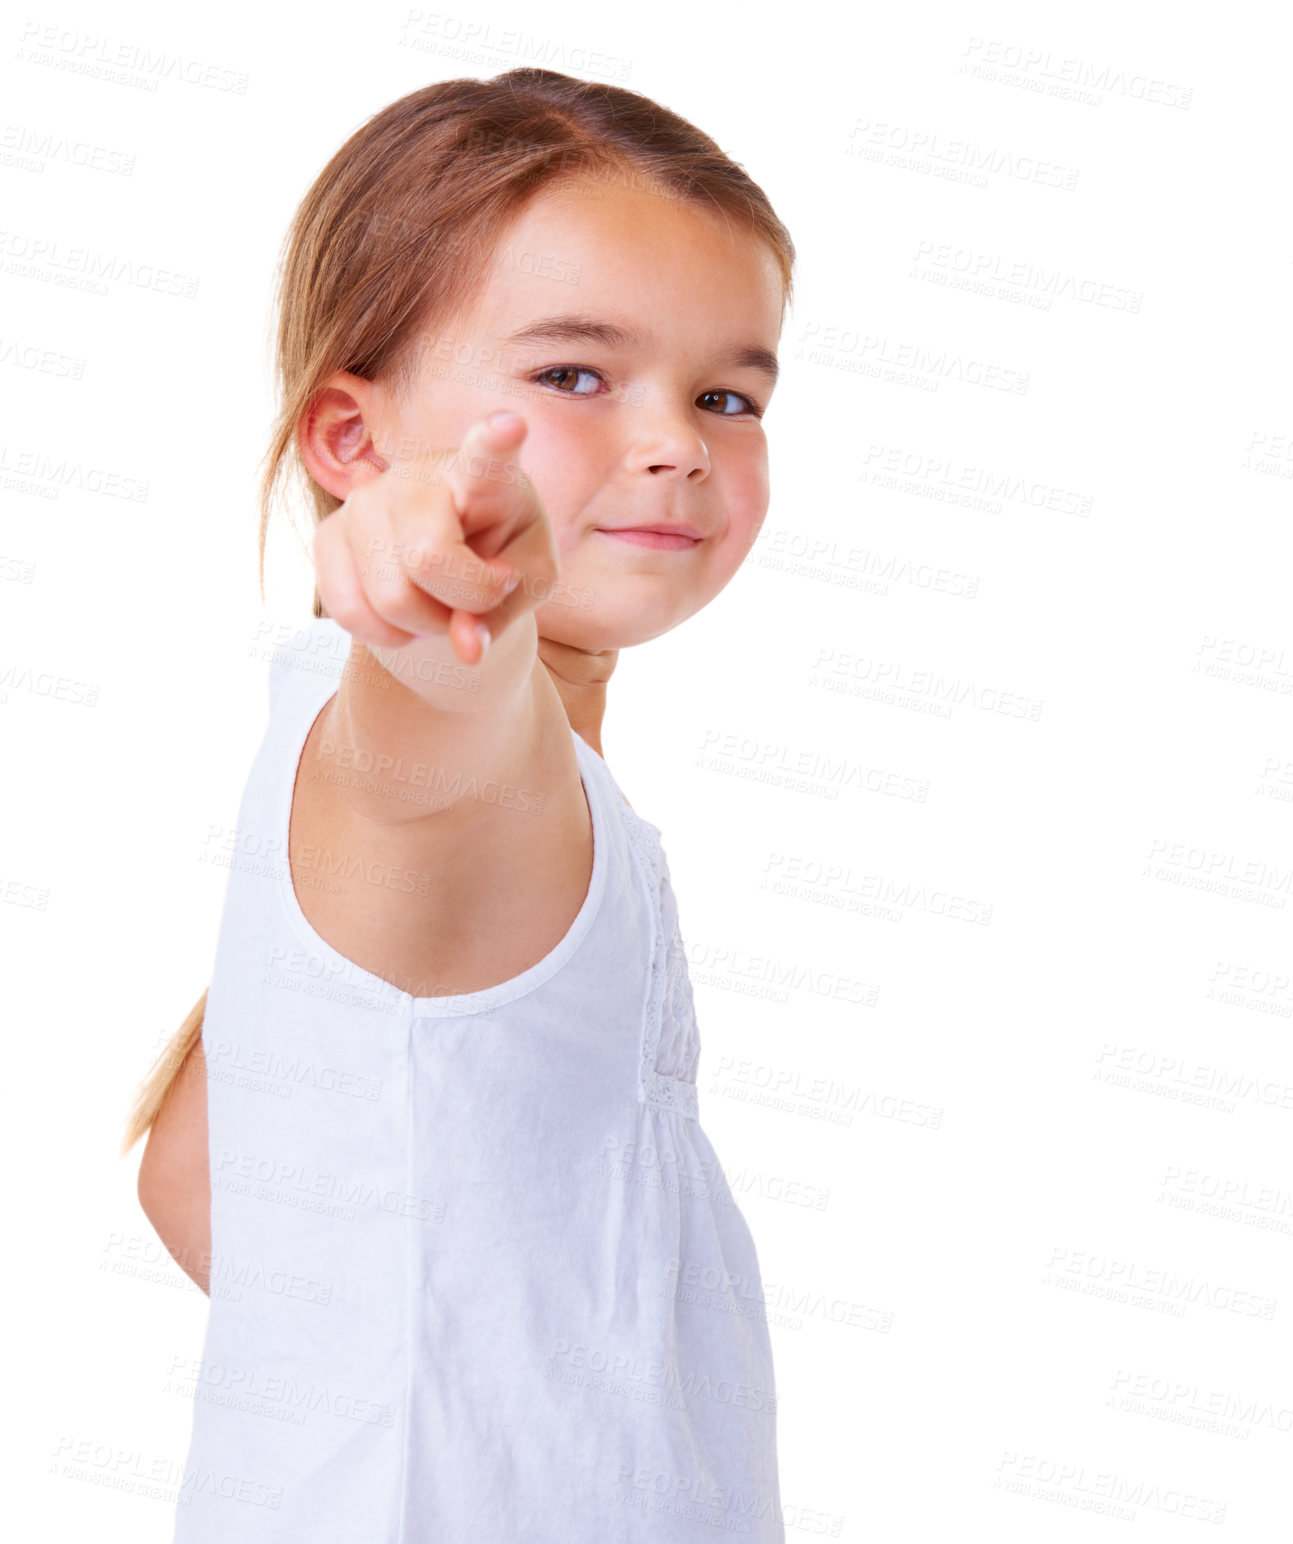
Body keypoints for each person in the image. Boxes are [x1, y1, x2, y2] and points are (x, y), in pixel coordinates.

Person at [121, 66, 796, 1542]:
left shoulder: (530, 812)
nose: (676, 439)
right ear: (353, 444)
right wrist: (428, 612)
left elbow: (194, 1168)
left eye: (726, 393)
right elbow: (434, 733)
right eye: (572, 375)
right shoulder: (441, 744)